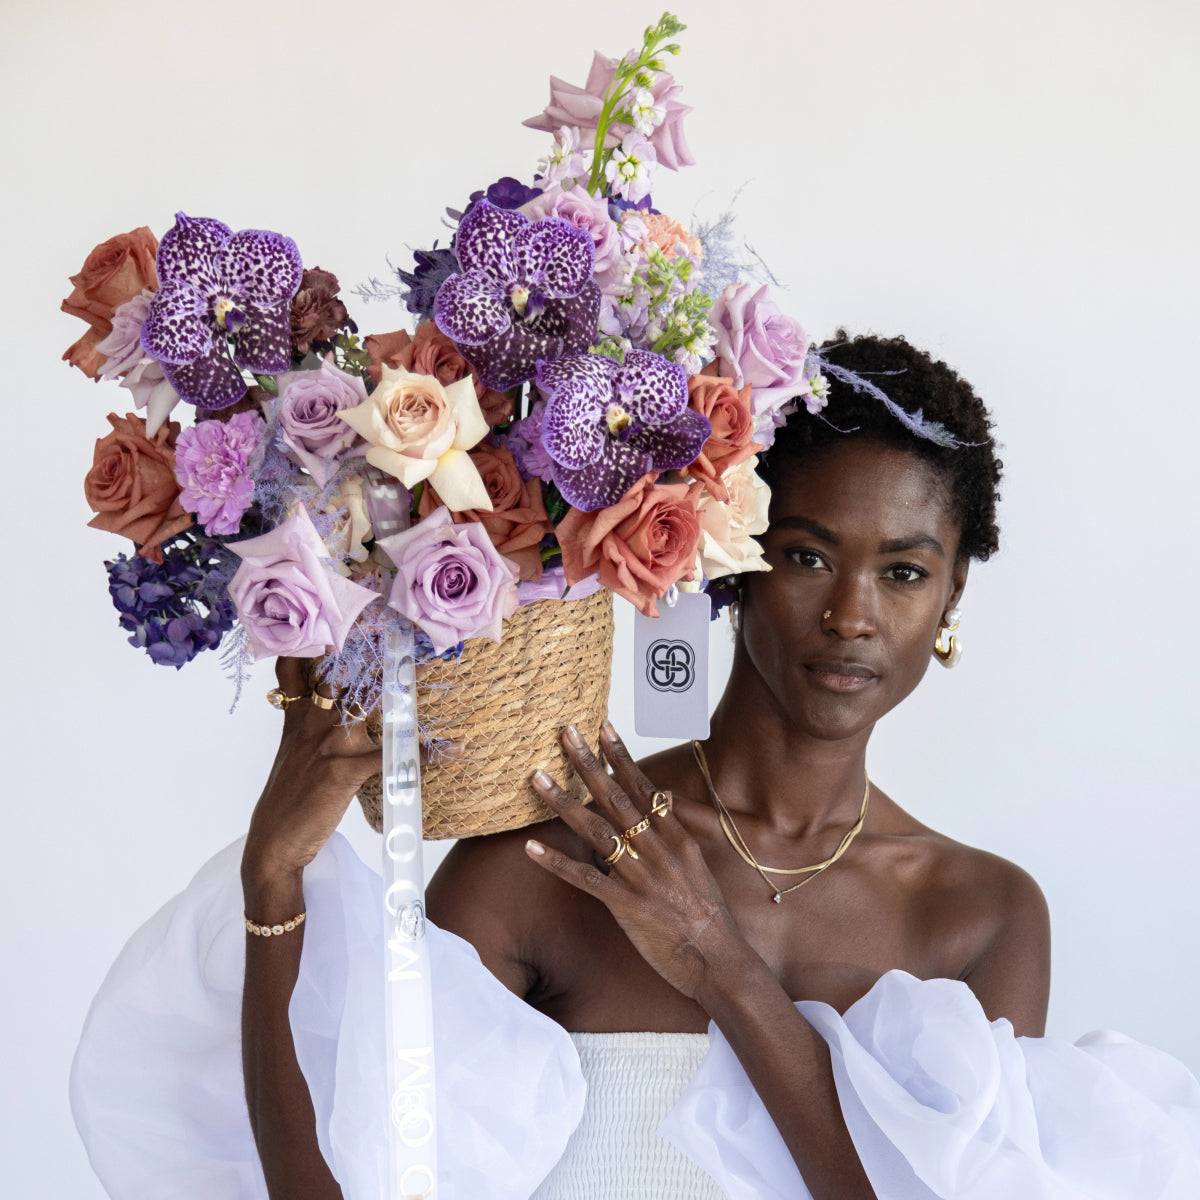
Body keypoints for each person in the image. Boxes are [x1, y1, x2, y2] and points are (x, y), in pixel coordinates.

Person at [72, 334, 1200, 1200]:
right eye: (807, 555)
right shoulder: (544, 864)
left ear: (950, 600)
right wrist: (276, 881)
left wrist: (721, 967)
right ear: (732, 564)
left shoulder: (982, 916)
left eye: (905, 573)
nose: (854, 614)